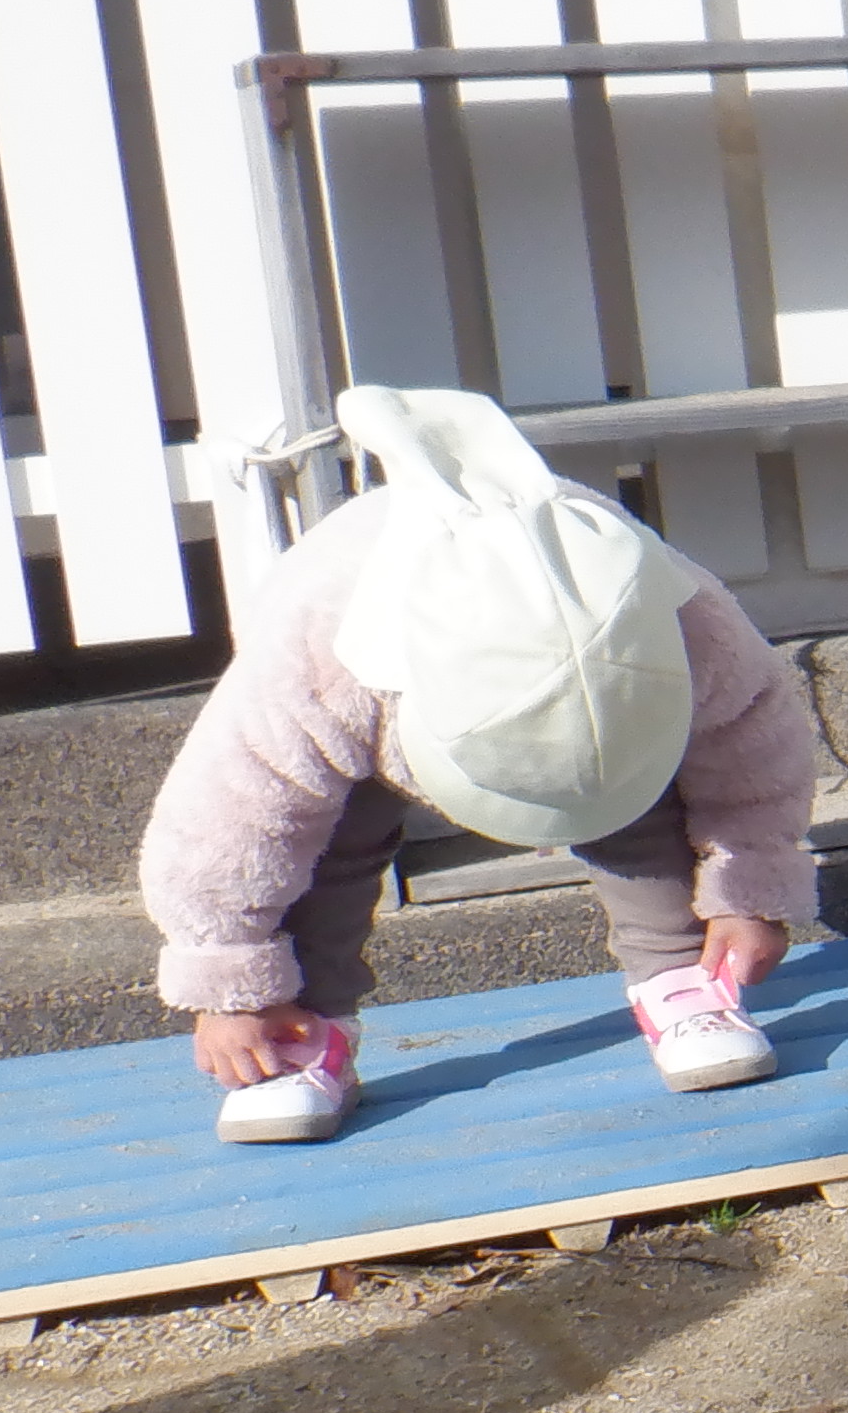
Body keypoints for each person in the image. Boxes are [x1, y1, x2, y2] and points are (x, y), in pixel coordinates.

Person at [140, 384, 811, 1141]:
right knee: (330, 844)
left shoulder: (675, 614)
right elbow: (228, 826)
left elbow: (756, 746)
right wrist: (233, 988)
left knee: (640, 802)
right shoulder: (322, 659)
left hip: (610, 696)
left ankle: (682, 977)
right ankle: (302, 1032)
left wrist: (748, 888)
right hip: (364, 713)